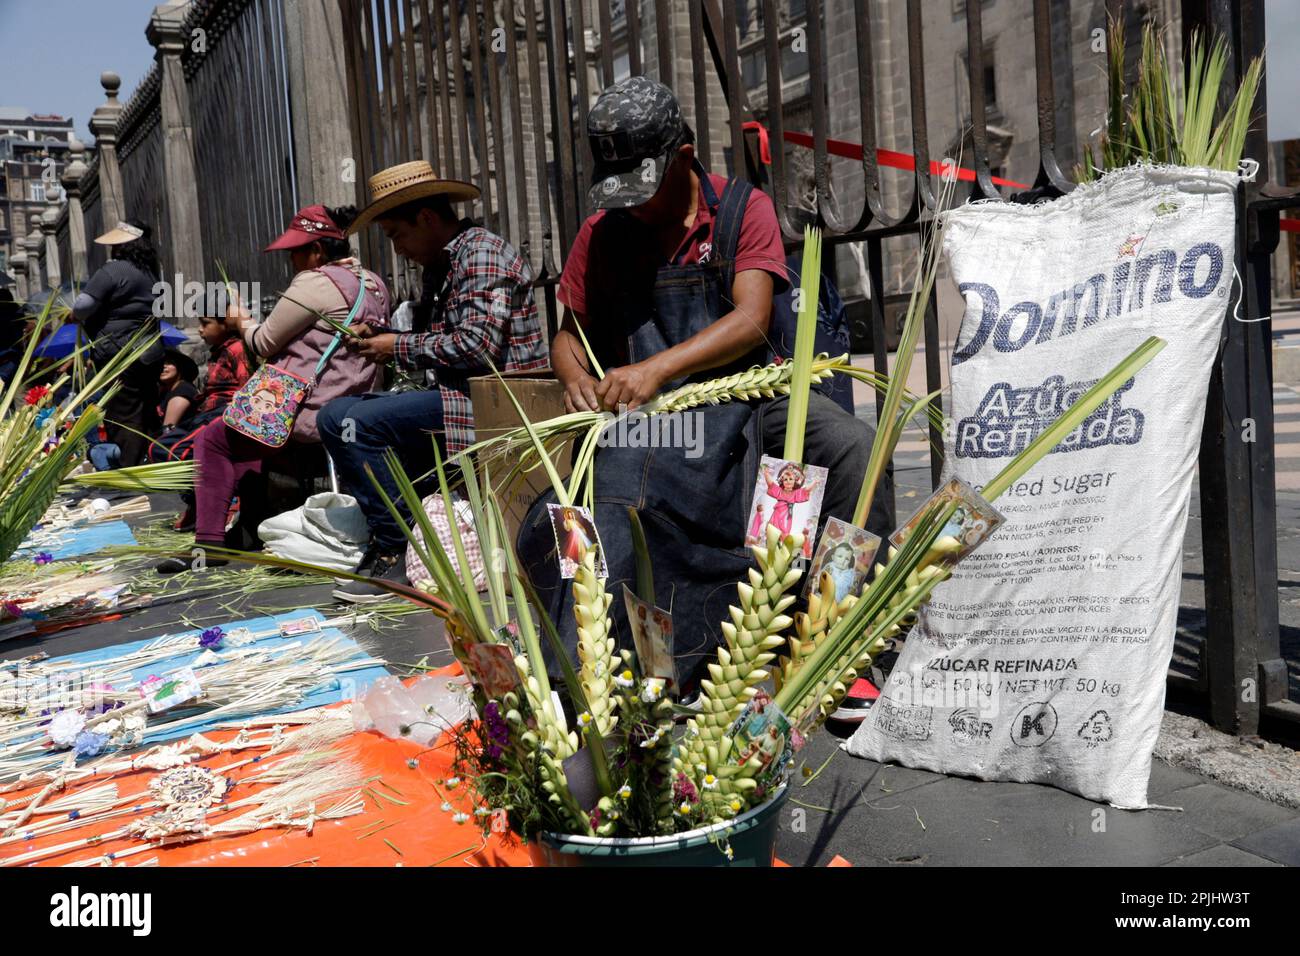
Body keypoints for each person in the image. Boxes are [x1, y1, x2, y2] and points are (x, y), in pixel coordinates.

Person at [521, 76, 891, 693]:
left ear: (684, 156)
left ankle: (833, 633)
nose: (632, 207)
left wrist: (655, 369)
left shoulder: (746, 210)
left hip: (748, 397)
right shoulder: (601, 233)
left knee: (853, 448)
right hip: (650, 414)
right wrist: (577, 376)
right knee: (607, 493)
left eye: (645, 188)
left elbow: (750, 320)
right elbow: (566, 335)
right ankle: (618, 657)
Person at [319, 161, 547, 603]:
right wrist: (385, 339)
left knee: (359, 424)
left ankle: (396, 547)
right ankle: (403, 536)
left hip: (494, 400)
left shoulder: (480, 252)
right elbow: (439, 339)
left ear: (425, 218)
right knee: (337, 415)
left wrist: (394, 347)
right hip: (456, 394)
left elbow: (478, 347)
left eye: (396, 235)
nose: (398, 249)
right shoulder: (442, 264)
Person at [155, 204, 388, 574]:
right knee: (248, 443)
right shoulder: (373, 281)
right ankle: (250, 528)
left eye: (296, 251)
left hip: (311, 411)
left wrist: (240, 320)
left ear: (317, 250)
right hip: (355, 405)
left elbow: (263, 342)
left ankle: (208, 544)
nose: (291, 260)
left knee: (213, 440)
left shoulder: (314, 282)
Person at [72, 219, 165, 466]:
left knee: (123, 412)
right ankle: (153, 460)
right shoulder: (151, 271)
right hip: (150, 351)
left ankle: (128, 469)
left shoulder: (112, 271)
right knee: (145, 407)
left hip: (119, 351)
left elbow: (82, 306)